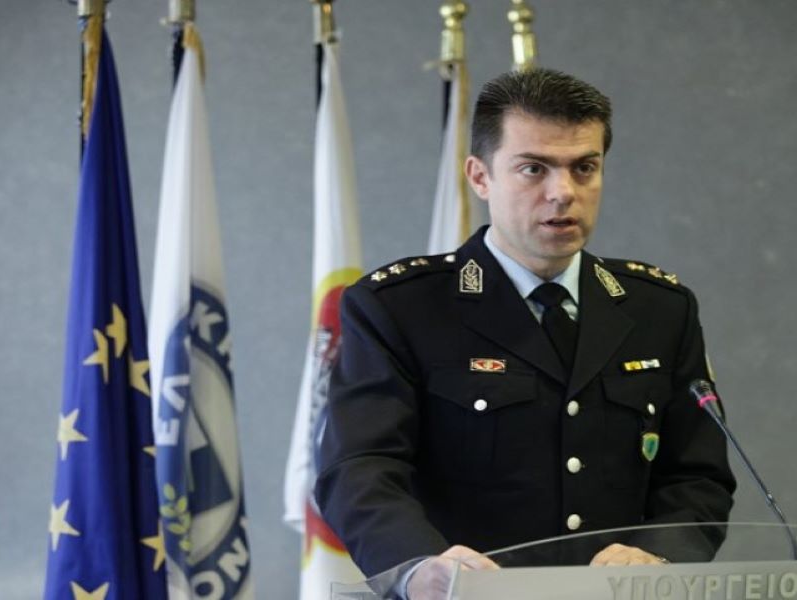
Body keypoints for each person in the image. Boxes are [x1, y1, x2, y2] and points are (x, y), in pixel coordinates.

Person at [314, 67, 736, 599]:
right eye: (533, 169)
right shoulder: (400, 308)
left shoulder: (660, 309)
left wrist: (660, 554)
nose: (563, 193)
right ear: (479, 177)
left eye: (584, 168)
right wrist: (418, 565)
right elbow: (359, 468)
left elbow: (697, 475)